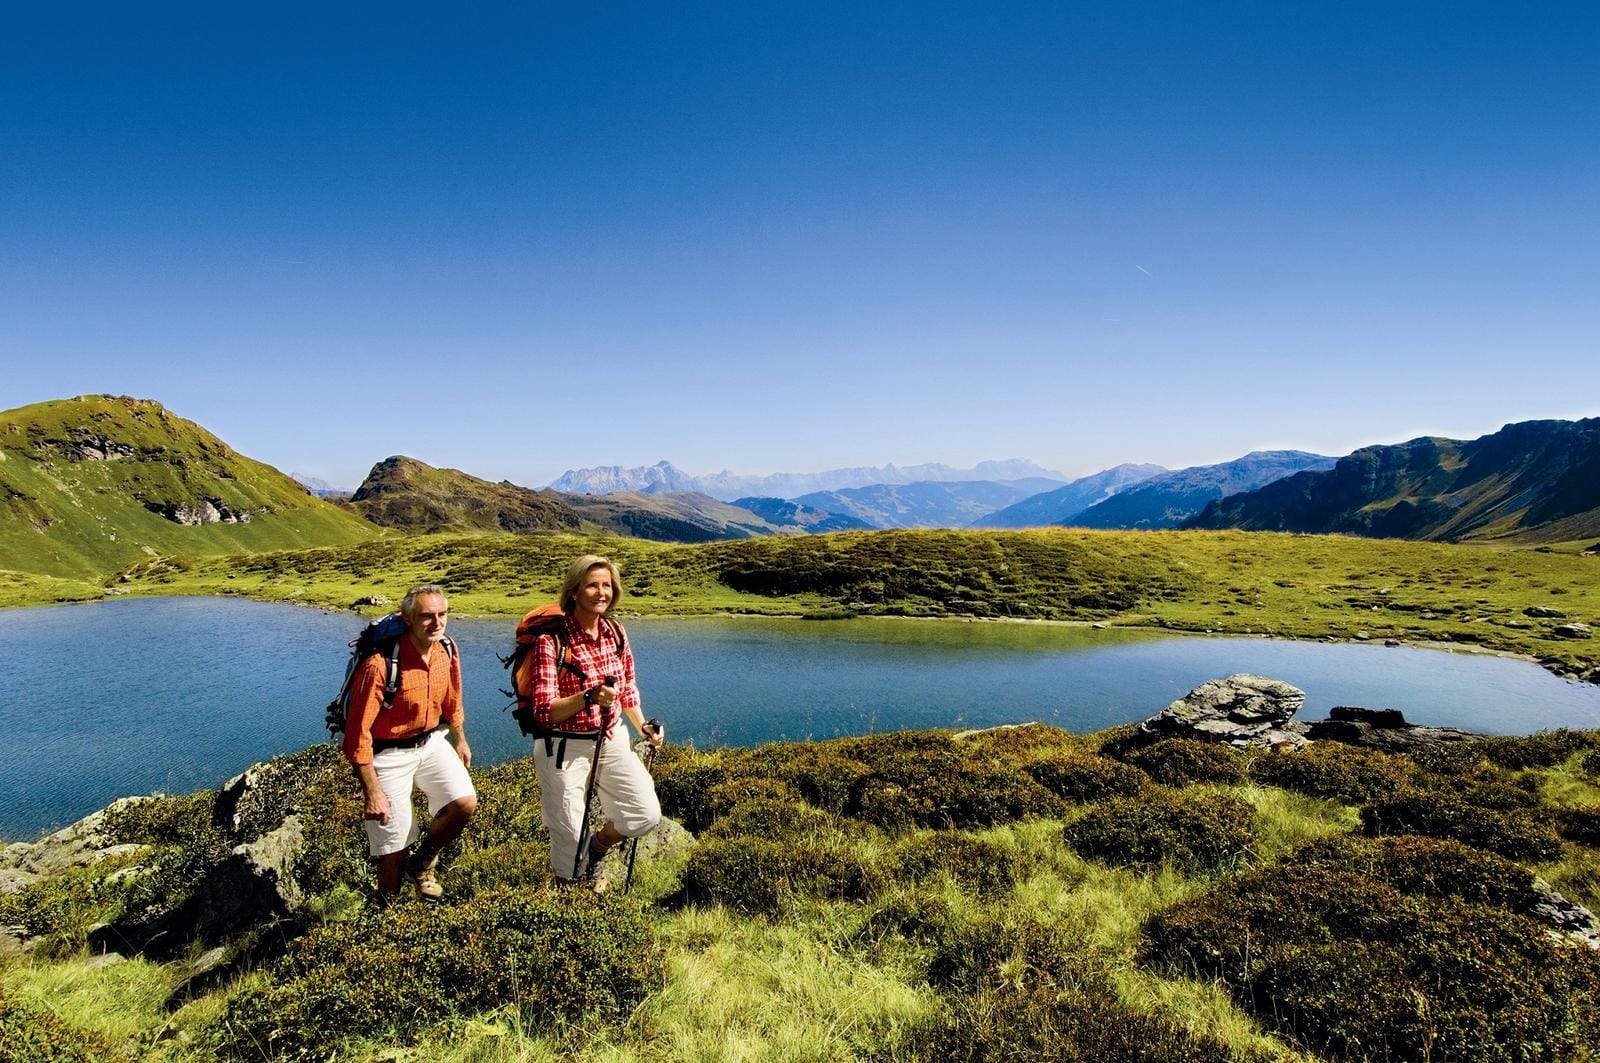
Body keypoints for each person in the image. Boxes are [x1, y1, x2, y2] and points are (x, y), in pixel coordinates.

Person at [520, 555, 662, 889]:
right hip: (562, 747)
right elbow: (544, 710)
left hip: (610, 738)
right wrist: (587, 697)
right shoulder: (551, 642)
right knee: (568, 832)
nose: (601, 593)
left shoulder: (615, 632)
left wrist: (642, 725)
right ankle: (569, 896)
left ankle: (597, 847)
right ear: (573, 592)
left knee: (644, 813)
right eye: (592, 585)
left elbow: (627, 688)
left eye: (607, 585)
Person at [344, 583, 477, 901]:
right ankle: (385, 911)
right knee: (394, 844)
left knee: (463, 803)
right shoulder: (379, 666)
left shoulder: (445, 651)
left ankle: (423, 863)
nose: (437, 623)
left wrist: (460, 740)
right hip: (387, 753)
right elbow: (356, 735)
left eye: (442, 615)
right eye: (427, 616)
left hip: (430, 741)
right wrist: (372, 791)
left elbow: (452, 702)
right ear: (407, 619)